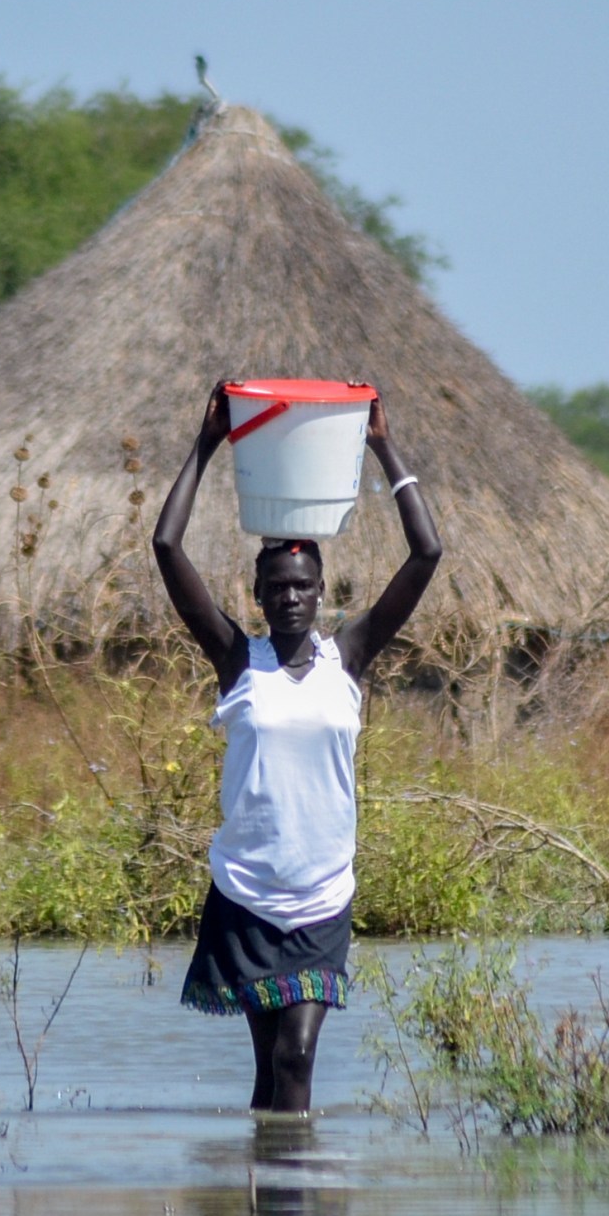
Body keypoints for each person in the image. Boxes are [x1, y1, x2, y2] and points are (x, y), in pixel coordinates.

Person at [152, 381, 443, 1113]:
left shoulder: (349, 659)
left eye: (302, 587)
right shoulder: (236, 662)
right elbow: (165, 545)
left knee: (298, 1052)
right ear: (257, 593)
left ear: (321, 593)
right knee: (267, 1070)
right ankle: (269, 1203)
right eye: (276, 587)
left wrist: (381, 445)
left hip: (321, 893)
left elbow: (427, 551)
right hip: (248, 889)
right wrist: (208, 441)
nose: (289, 598)